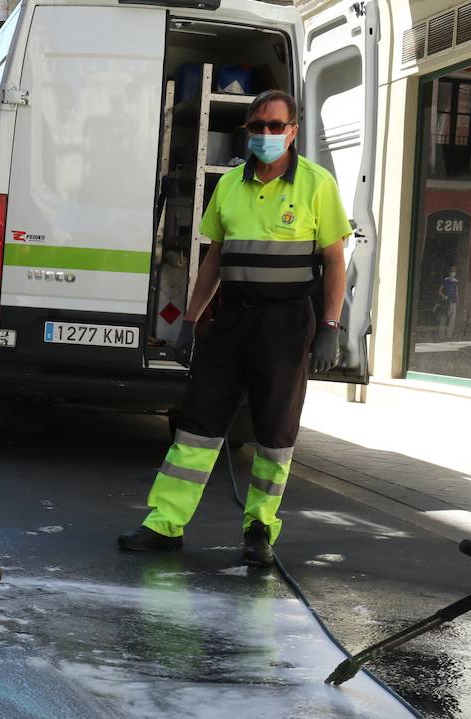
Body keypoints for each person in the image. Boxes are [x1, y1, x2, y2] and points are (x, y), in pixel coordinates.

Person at [117, 89, 352, 568]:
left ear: (293, 131)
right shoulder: (229, 186)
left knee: (274, 428)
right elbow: (214, 258)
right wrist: (189, 319)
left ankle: (260, 528)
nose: (265, 134)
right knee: (198, 423)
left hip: (286, 322)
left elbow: (334, 260)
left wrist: (331, 325)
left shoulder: (316, 184)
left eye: (274, 126)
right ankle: (164, 523)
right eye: (257, 126)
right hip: (231, 319)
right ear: (247, 130)